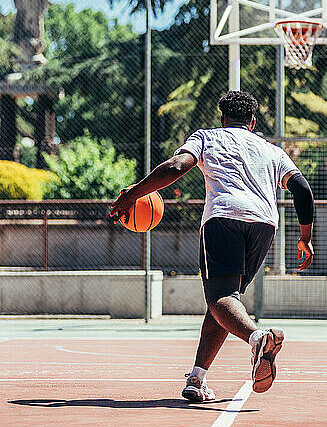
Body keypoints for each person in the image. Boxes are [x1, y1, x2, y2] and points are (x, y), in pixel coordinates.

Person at [110, 90, 314, 402]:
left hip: (223, 217)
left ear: (223, 119)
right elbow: (302, 189)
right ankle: (197, 378)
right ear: (253, 121)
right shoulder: (271, 151)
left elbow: (178, 167)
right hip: (263, 224)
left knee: (220, 297)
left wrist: (134, 192)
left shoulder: (208, 137)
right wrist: (304, 237)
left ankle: (257, 338)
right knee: (224, 301)